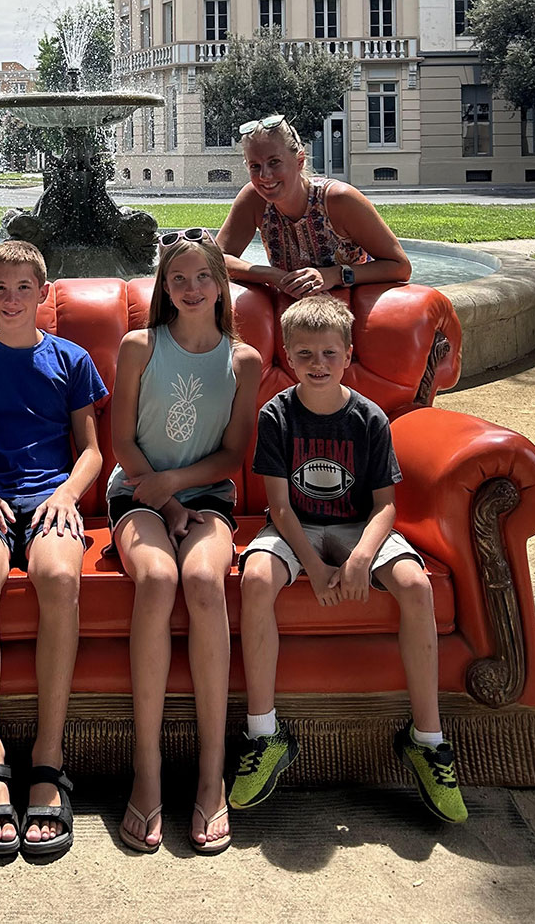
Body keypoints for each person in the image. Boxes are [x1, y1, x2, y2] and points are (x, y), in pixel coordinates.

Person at [230, 295, 467, 823]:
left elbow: (386, 506)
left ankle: (428, 739)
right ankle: (264, 734)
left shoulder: (369, 417)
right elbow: (279, 507)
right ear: (288, 356)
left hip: (360, 527)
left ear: (348, 355)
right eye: (305, 354)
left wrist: (360, 559)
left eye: (329, 354)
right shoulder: (276, 415)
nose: (317, 364)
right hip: (296, 526)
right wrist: (314, 568)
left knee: (416, 585)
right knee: (256, 578)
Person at [0, 240, 108, 861]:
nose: (11, 299)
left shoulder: (70, 359)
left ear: (44, 295)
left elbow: (91, 450)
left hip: (51, 500)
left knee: (60, 579)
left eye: (24, 289)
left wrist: (67, 494)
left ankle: (48, 754)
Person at [107, 229, 262, 855]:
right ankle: (146, 772)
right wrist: (165, 500)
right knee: (158, 577)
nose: (192, 288)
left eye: (204, 277)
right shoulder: (140, 346)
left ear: (222, 285)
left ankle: (210, 773)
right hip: (138, 491)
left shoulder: (243, 361)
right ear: (164, 288)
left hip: (207, 494)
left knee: (201, 579)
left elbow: (233, 453)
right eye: (179, 279)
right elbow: (121, 442)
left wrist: (180, 488)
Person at [216, 113, 411, 300]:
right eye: (255, 166)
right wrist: (271, 275)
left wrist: (334, 275)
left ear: (299, 161)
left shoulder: (339, 200)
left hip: (350, 309)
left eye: (274, 162)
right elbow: (215, 259)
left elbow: (400, 267)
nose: (264, 176)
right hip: (294, 313)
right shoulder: (254, 199)